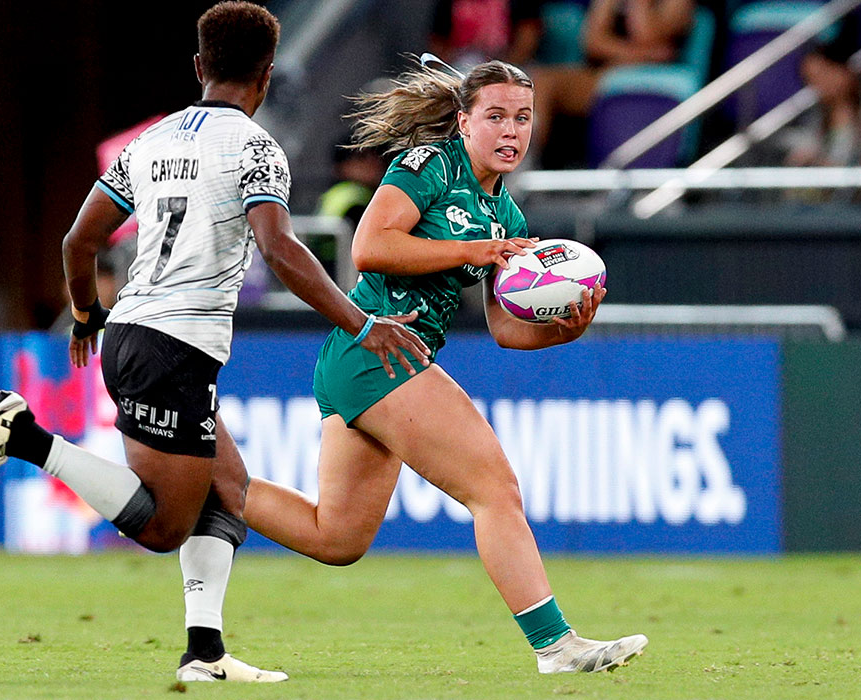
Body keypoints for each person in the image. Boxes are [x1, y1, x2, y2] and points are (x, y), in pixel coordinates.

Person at [0, 1, 428, 684]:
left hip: (136, 329)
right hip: (173, 344)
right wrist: (361, 323)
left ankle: (205, 653)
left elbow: (80, 239)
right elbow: (280, 249)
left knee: (228, 491)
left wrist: (84, 315)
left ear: (200, 67)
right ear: (267, 75)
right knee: (166, 525)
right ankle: (24, 438)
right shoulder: (256, 149)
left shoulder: (153, 140)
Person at [243, 59, 648, 674]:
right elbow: (369, 246)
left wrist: (567, 328)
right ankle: (556, 646)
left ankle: (206, 485)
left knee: (336, 539)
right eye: (495, 117)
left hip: (378, 360)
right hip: (377, 347)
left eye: (523, 117)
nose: (511, 131)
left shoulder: (507, 216)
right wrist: (475, 250)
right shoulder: (428, 165)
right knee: (495, 489)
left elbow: (505, 329)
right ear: (462, 122)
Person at [527, 0, 695, 161]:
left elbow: (647, 37)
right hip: (609, 73)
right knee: (542, 82)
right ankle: (523, 163)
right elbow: (593, 43)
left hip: (655, 83)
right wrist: (640, 55)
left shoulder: (678, 3)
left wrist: (639, 3)